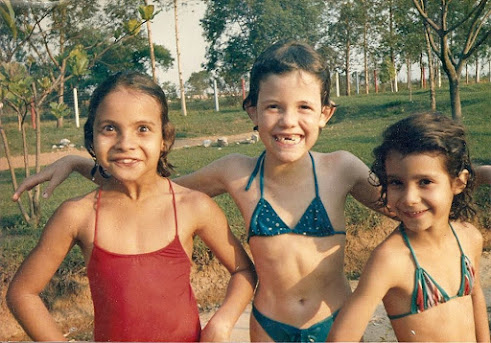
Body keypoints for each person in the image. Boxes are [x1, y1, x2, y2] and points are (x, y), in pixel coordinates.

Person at [11, 41, 491, 342]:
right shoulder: (234, 172)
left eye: (304, 107)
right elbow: (152, 190)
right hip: (268, 327)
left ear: (325, 113)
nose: (288, 121)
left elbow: (408, 200)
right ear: (252, 111)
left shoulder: (341, 168)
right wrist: (80, 164)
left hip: (336, 323)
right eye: (273, 107)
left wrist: (475, 174)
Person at [6, 71, 256, 342]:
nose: (126, 144)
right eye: (110, 128)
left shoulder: (193, 207)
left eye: (143, 129)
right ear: (91, 139)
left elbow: (243, 271)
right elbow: (22, 292)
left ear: (164, 138)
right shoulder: (77, 215)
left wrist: (221, 323)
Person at [327, 113, 490, 342]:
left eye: (425, 182)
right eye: (396, 183)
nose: (410, 198)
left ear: (458, 182)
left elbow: (476, 300)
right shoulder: (390, 259)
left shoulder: (469, 238)